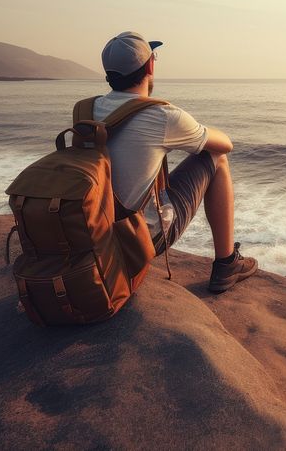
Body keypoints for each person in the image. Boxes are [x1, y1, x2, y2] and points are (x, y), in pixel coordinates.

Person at [95, 31, 257, 293]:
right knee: (217, 157)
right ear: (149, 66)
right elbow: (225, 144)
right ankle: (227, 263)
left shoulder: (87, 110)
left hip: (97, 234)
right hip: (140, 240)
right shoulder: (161, 115)